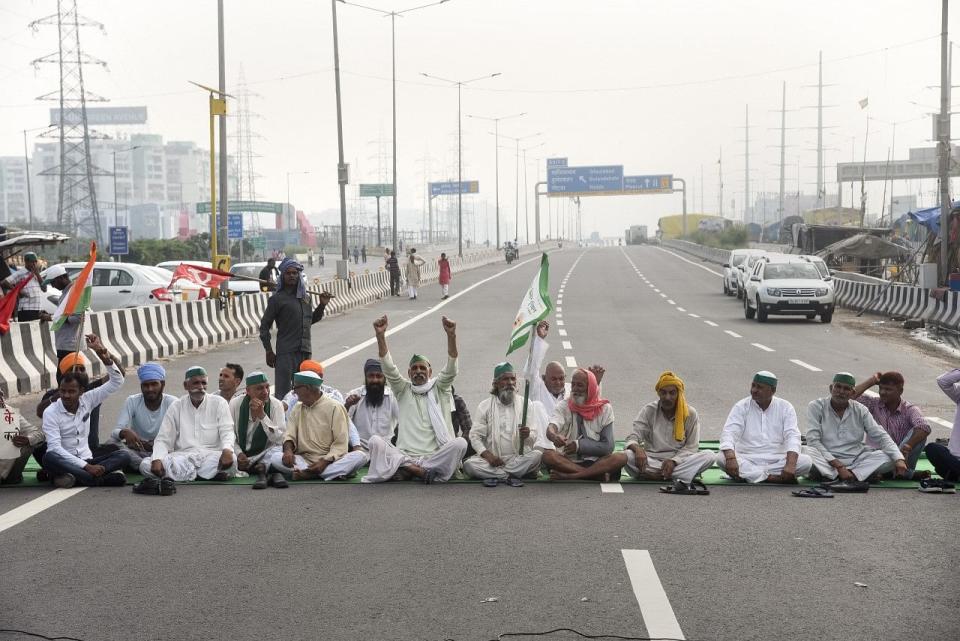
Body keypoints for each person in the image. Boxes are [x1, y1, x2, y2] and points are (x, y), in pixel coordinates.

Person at [363, 315, 467, 483]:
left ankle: (408, 470)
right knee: (375, 442)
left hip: (435, 456)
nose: (419, 371)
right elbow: (388, 368)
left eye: (422, 368)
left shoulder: (440, 388)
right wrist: (380, 336)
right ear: (409, 373)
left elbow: (451, 369)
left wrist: (451, 335)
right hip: (406, 455)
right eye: (414, 368)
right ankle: (415, 470)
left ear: (430, 372)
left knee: (460, 443)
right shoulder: (403, 389)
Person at [40, 334, 129, 488]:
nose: (66, 395)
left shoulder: (88, 398)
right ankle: (97, 479)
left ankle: (83, 478)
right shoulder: (51, 411)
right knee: (49, 457)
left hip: (89, 459)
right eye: (63, 391)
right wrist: (86, 467)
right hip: (66, 462)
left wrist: (101, 351)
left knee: (124, 454)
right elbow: (55, 448)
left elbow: (117, 380)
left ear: (81, 391)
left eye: (71, 392)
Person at [134, 366, 236, 495]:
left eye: (203, 383)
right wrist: (157, 459)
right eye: (196, 383)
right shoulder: (176, 406)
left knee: (233, 461)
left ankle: (179, 476)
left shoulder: (219, 403)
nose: (201, 387)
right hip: (183, 457)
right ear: (186, 385)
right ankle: (204, 475)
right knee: (146, 465)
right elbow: (163, 438)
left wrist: (227, 450)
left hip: (211, 456)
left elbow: (227, 430)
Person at [803, 372, 907, 490]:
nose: (841, 391)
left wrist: (899, 459)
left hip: (855, 460)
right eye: (838, 387)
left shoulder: (860, 409)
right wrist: (839, 466)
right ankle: (853, 475)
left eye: (846, 388)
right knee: (806, 451)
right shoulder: (816, 406)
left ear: (852, 393)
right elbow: (813, 441)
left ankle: (838, 476)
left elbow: (881, 436)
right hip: (826, 459)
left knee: (890, 457)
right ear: (831, 388)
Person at [268, 371, 369, 482]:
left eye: (295, 387)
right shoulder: (297, 408)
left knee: (360, 456)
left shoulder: (335, 407)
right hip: (304, 460)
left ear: (307, 388)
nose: (293, 392)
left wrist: (324, 462)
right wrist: (288, 451)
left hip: (331, 460)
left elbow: (340, 444)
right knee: (275, 457)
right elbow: (289, 435)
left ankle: (309, 474)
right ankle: (320, 473)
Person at [716, 371, 813, 484]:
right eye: (753, 385)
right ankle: (771, 478)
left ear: (772, 391)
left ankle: (751, 476)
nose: (754, 390)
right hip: (747, 458)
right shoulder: (741, 406)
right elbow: (729, 433)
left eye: (760, 387)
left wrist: (790, 465)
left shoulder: (785, 407)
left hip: (777, 460)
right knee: (721, 459)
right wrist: (731, 459)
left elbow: (792, 436)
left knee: (806, 462)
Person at [620, 372, 715, 486]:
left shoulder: (690, 413)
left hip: (678, 461)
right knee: (627, 455)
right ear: (658, 393)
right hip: (651, 459)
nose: (667, 397)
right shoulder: (649, 410)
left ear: (679, 394)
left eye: (672, 393)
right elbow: (633, 436)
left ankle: (655, 476)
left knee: (709, 456)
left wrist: (673, 461)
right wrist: (638, 450)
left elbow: (691, 447)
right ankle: (676, 475)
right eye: (663, 393)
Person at [259, 257, 333, 401]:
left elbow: (310, 321)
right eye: (288, 273)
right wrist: (268, 350)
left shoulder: (305, 298)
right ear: (283, 276)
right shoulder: (277, 299)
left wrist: (322, 305)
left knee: (306, 393)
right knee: (284, 394)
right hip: (286, 353)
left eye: (295, 273)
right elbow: (264, 326)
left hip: (305, 352)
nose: (292, 276)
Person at [462, 362, 545, 486]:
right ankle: (511, 476)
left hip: (518, 458)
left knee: (537, 455)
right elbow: (475, 436)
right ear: (495, 383)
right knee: (469, 465)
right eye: (505, 379)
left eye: (513, 379)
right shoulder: (484, 406)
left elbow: (534, 436)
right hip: (492, 460)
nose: (510, 383)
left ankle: (500, 475)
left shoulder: (526, 404)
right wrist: (488, 456)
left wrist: (527, 434)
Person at [541, 368, 621, 482]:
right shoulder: (564, 405)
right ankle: (593, 475)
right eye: (573, 385)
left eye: (580, 385)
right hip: (568, 461)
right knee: (548, 456)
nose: (575, 389)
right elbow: (551, 427)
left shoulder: (605, 409)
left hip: (596, 462)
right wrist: (554, 436)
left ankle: (571, 476)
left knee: (621, 457)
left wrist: (579, 446)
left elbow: (608, 447)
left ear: (590, 388)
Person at [851, 371, 931, 479]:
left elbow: (925, 427)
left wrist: (908, 446)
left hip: (902, 459)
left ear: (900, 391)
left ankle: (889, 472)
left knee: (920, 432)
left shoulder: (910, 409)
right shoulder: (873, 404)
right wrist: (872, 381)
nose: (883, 392)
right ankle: (904, 474)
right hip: (876, 458)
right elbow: (849, 397)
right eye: (881, 388)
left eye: (888, 389)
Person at [111, 363, 177, 472]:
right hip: (138, 452)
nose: (150, 389)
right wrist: (124, 432)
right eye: (146, 385)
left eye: (154, 384)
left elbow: (180, 435)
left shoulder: (172, 403)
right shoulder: (132, 401)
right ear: (141, 386)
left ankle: (142, 467)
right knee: (112, 443)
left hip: (164, 452)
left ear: (163, 384)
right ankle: (145, 466)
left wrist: (157, 444)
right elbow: (115, 431)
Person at [229, 371, 286, 489]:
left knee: (279, 453)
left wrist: (262, 416)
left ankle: (262, 469)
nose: (265, 392)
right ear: (248, 391)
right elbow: (229, 434)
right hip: (241, 453)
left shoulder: (276, 405)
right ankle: (266, 471)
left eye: (267, 387)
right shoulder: (235, 404)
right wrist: (239, 453)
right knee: (226, 456)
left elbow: (279, 439)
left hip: (265, 453)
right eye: (259, 388)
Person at [344, 359, 399, 448]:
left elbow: (403, 421)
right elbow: (341, 422)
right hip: (359, 449)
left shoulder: (393, 397)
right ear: (365, 378)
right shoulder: (354, 395)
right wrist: (347, 405)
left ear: (385, 378)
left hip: (386, 449)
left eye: (378, 376)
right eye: (371, 376)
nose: (375, 380)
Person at [522, 320, 568, 416]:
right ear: (544, 378)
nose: (558, 382)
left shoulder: (570, 393)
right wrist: (539, 339)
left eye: (561, 378)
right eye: (553, 379)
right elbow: (531, 369)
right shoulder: (538, 389)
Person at [0, 389, 44, 485]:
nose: (0, 399)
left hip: (7, 472)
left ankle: (12, 477)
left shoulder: (9, 412)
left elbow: (38, 434)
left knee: (31, 443)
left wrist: (27, 439)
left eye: (1, 395)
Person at [927, 368, 960, 481]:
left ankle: (954, 473)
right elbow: (943, 381)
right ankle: (955, 473)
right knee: (932, 448)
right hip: (954, 458)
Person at [43, 265, 79, 362]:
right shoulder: (65, 293)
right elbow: (64, 314)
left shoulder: (73, 293)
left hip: (69, 345)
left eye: (53, 282)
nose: (53, 286)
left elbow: (77, 318)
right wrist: (51, 315)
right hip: (64, 344)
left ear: (62, 278)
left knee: (64, 376)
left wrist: (52, 318)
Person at [1, 252, 48, 323]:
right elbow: (4, 282)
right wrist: (17, 291)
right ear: (26, 262)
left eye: (35, 262)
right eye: (32, 262)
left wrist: (37, 274)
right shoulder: (20, 273)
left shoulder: (36, 274)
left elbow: (44, 289)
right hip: (26, 309)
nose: (34, 264)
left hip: (37, 309)